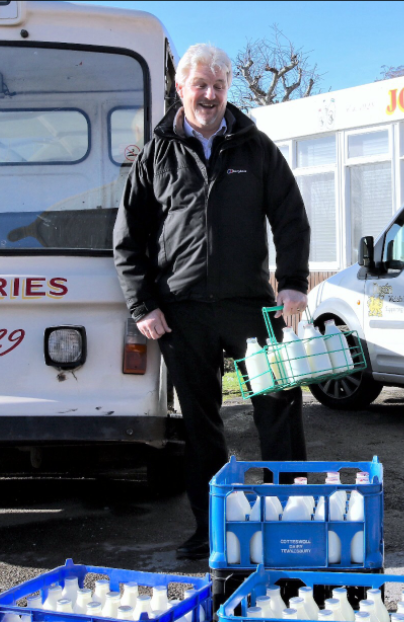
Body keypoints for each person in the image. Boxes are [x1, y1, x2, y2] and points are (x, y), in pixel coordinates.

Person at [113, 43, 311, 560]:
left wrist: (292, 281)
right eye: (200, 84)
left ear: (228, 90)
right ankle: (211, 531)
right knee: (200, 425)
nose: (210, 94)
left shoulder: (255, 147)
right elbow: (128, 238)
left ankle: (289, 523)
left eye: (219, 85)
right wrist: (143, 305)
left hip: (249, 305)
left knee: (279, 406)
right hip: (181, 309)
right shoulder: (155, 154)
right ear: (180, 88)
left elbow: (290, 216)